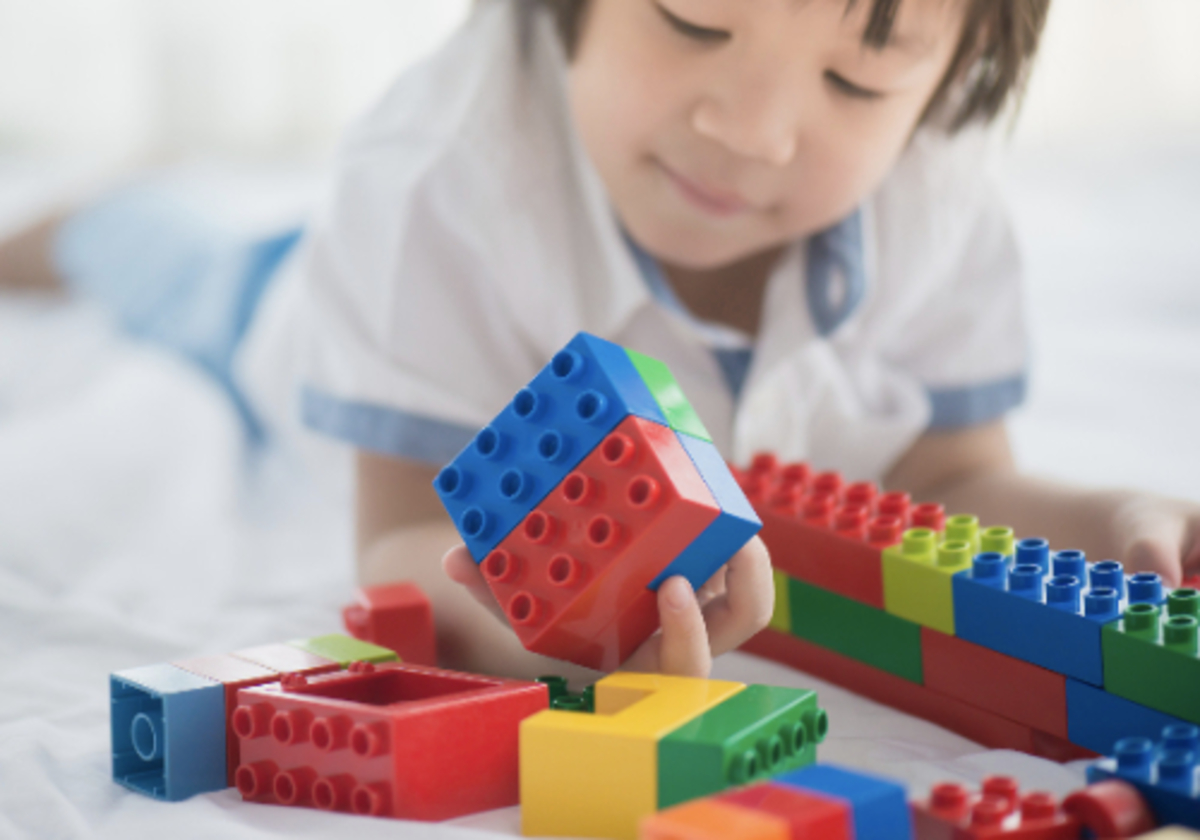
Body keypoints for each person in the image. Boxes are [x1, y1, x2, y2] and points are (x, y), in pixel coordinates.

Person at [3, 0, 1197, 685]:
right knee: (195, 268)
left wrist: (1118, 523)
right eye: (694, 16)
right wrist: (556, 634)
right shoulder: (437, 185)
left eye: (856, 79)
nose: (752, 132)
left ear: (954, 80)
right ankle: (100, 216)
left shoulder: (942, 201)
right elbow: (406, 539)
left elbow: (953, 481)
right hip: (302, 323)